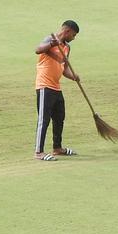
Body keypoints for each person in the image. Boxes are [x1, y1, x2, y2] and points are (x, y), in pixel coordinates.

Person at [34, 20, 81, 161]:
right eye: (73, 35)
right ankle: (38, 152)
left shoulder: (67, 48)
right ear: (67, 31)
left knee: (59, 118)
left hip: (56, 87)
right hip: (44, 86)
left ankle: (57, 148)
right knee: (44, 120)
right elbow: (38, 49)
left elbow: (64, 68)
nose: (74, 38)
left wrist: (74, 77)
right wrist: (52, 44)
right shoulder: (51, 39)